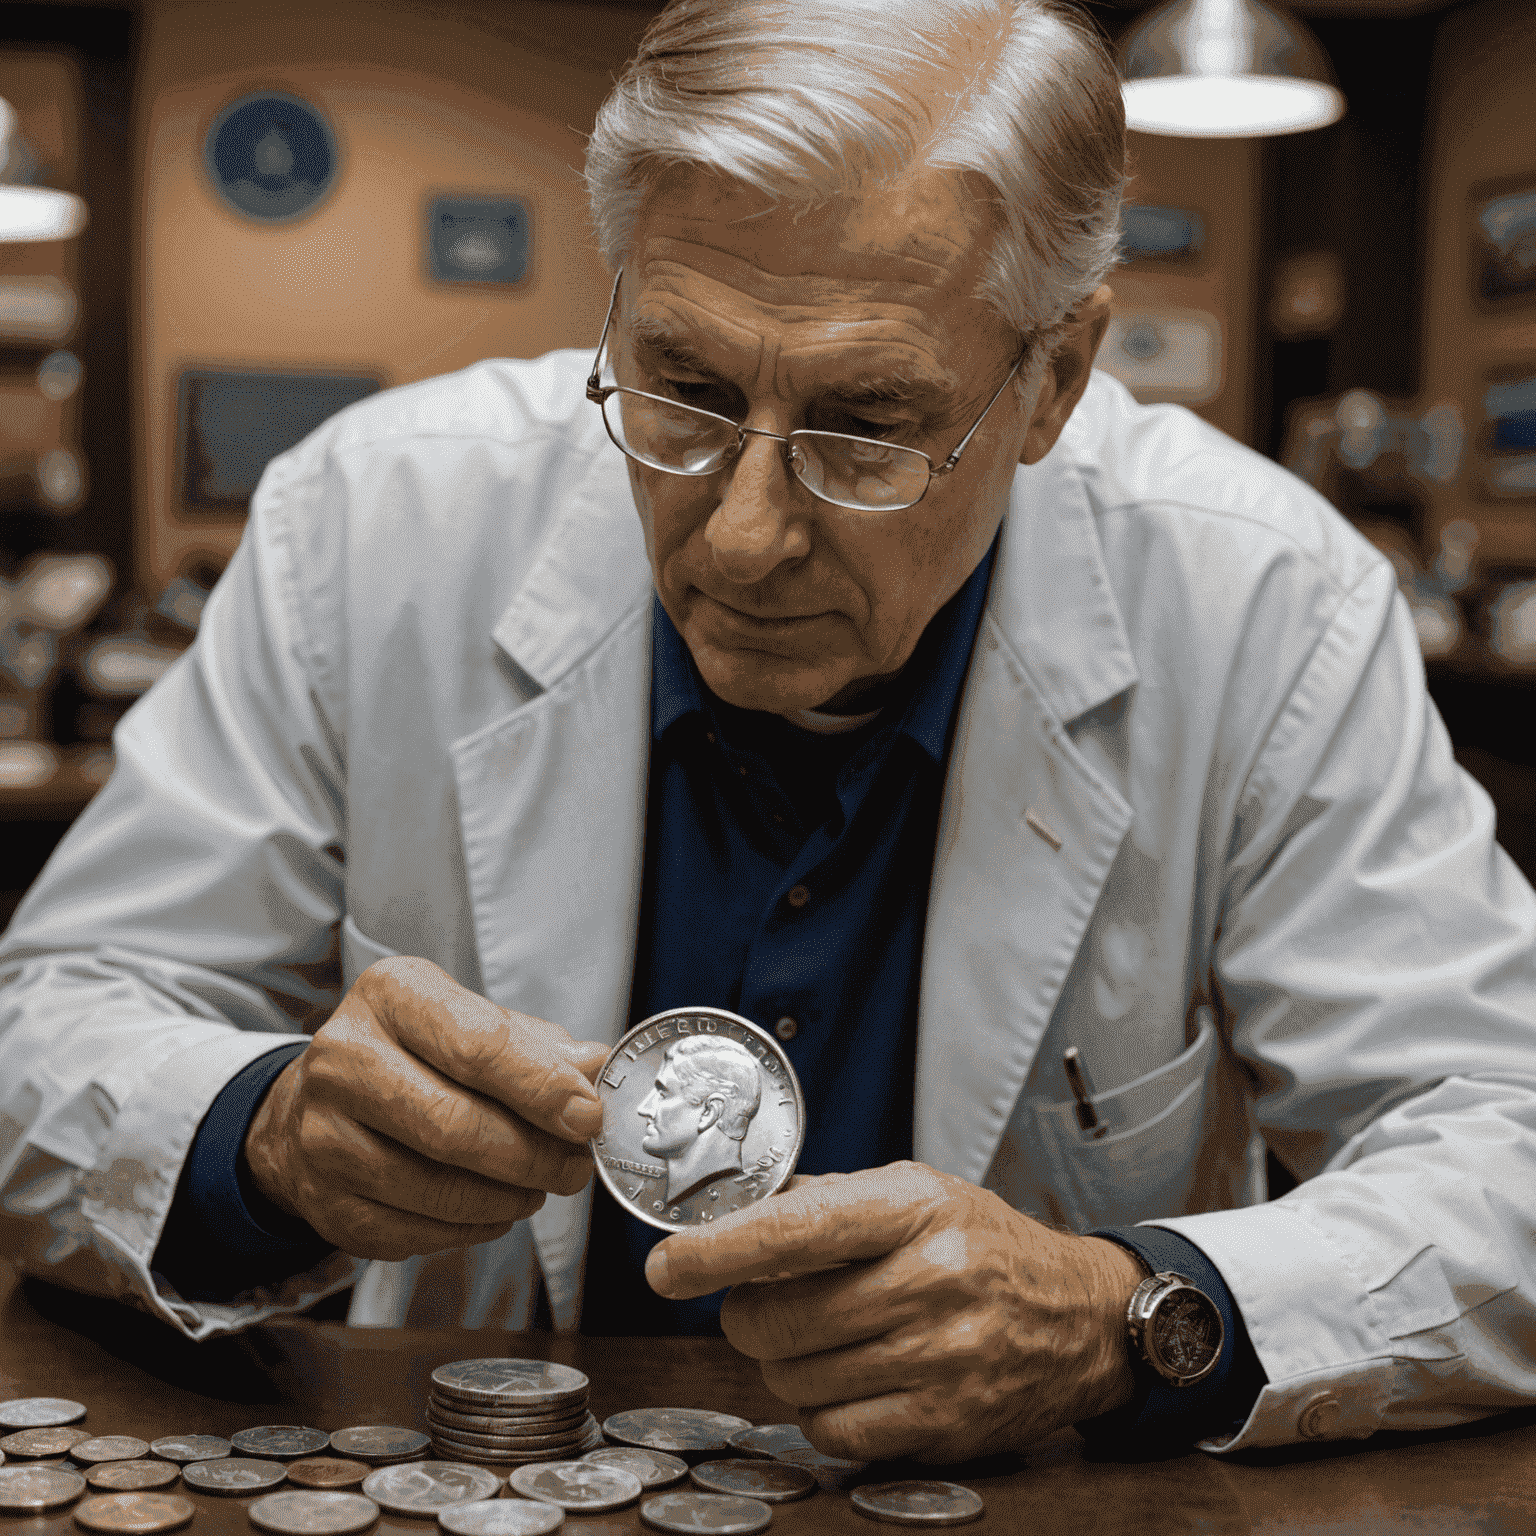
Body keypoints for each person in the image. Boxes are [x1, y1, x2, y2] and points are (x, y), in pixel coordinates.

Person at [3, 0, 1535, 1467]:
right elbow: (45, 1032)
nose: (740, 539)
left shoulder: (1264, 602)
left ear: (1055, 376)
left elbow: (1506, 1148)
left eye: (867, 426)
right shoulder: (371, 526)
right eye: (682, 387)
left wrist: (1127, 1313)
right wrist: (265, 1143)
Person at [637, 1037, 765, 1206]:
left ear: (708, 1112)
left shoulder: (741, 1202)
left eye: (663, 1094)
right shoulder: (651, 1192)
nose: (643, 1108)